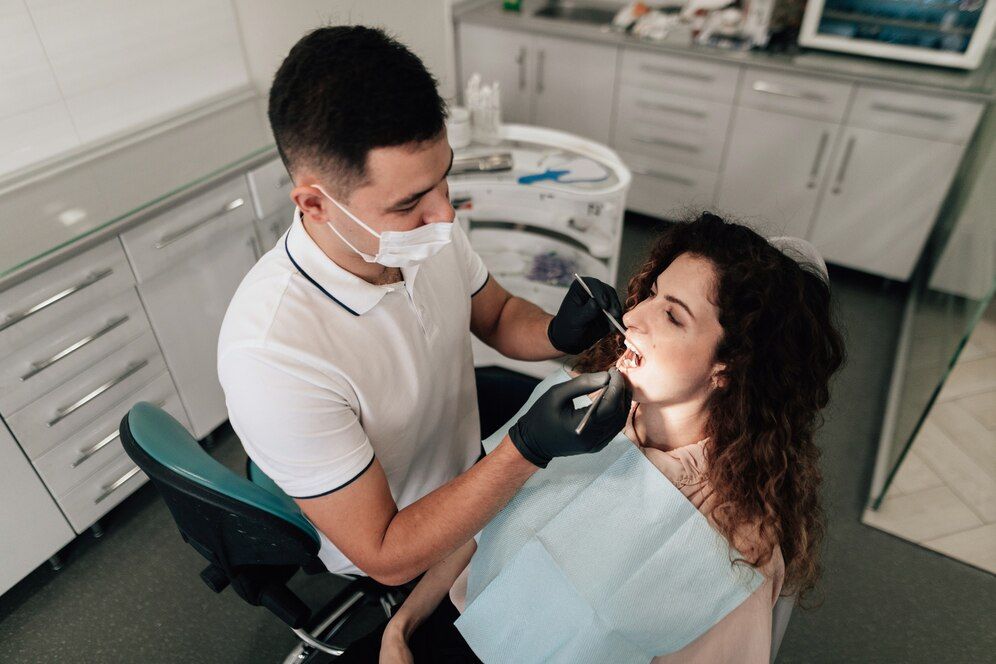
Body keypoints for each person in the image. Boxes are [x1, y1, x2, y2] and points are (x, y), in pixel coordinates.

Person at [217, 25, 631, 589]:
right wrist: (525, 449)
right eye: (410, 201)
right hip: (412, 540)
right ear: (315, 203)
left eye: (444, 178)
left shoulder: (421, 235)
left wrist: (559, 333)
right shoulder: (272, 355)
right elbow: (384, 553)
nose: (446, 215)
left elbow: (497, 314)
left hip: (470, 462)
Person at [361, 213, 845, 663]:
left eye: (673, 316)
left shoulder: (735, 549)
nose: (634, 318)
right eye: (651, 294)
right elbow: (475, 526)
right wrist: (401, 626)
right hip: (446, 629)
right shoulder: (570, 405)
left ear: (729, 367)